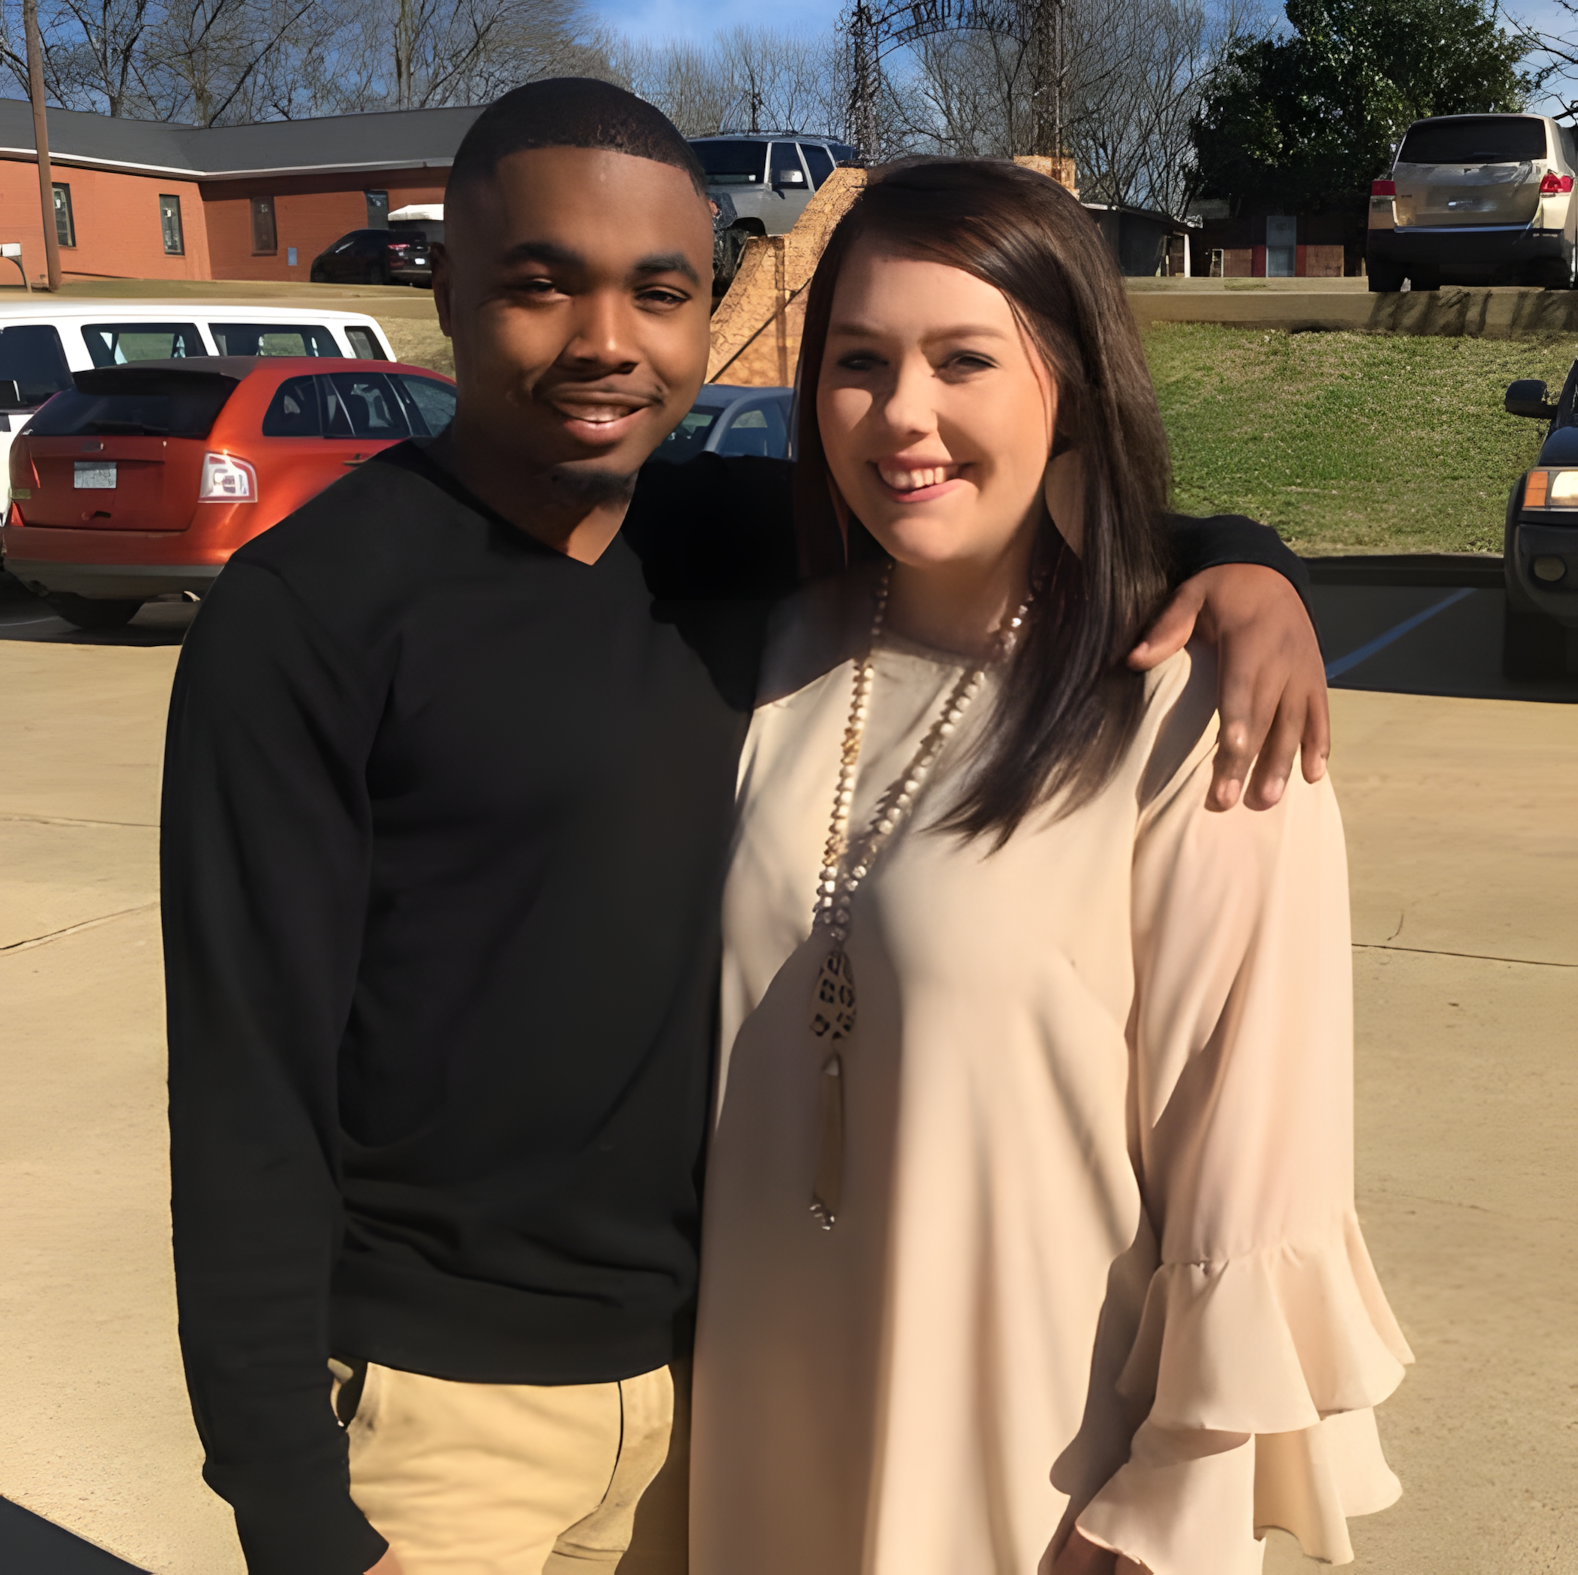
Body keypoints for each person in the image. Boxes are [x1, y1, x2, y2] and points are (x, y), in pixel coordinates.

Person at [162, 81, 1330, 1575]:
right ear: (444, 287)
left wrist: (1247, 563)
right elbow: (244, 1089)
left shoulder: (714, 546)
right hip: (441, 1422)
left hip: (707, 1407)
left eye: (660, 292)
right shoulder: (310, 618)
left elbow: (977, 492)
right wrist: (291, 1507)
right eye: (540, 283)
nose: (606, 341)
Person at [690, 158, 1413, 1575]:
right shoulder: (775, 658)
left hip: (1036, 1482)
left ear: (1070, 387)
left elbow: (1253, 1170)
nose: (903, 412)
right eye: (857, 362)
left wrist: (1164, 1504)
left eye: (963, 360)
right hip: (757, 1452)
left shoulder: (1194, 710)